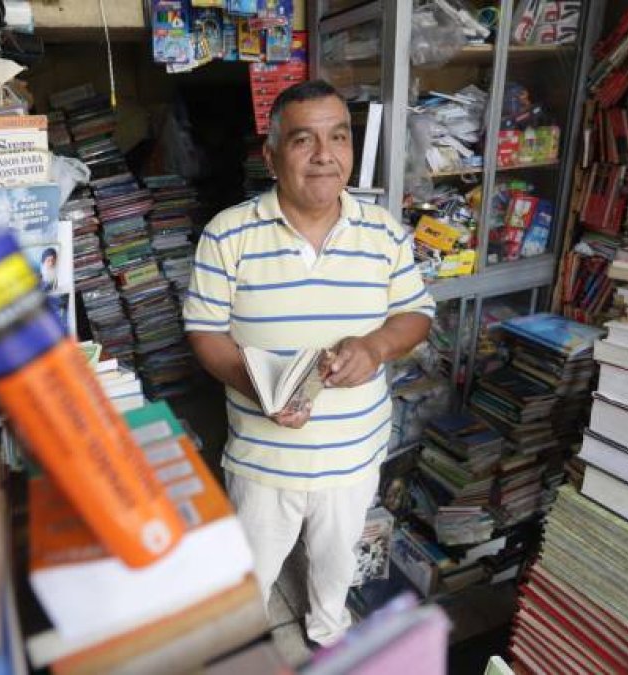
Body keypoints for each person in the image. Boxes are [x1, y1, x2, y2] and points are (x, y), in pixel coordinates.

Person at [182, 80, 435, 647]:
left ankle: (327, 633)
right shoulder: (227, 235)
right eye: (304, 140)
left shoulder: (385, 233)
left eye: (338, 137)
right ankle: (243, 648)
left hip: (353, 452)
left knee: (336, 562)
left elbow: (416, 314)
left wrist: (374, 348)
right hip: (263, 458)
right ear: (271, 157)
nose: (325, 155)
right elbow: (203, 330)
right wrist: (260, 385)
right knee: (250, 577)